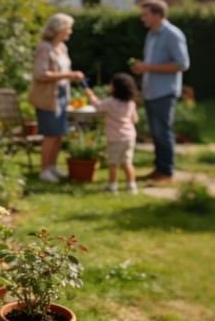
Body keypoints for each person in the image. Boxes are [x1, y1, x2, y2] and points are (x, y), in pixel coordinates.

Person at [130, 0, 190, 184]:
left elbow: (182, 64)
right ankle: (159, 169)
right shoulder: (151, 34)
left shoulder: (173, 34)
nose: (142, 18)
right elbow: (152, 63)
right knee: (155, 133)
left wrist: (148, 67)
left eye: (145, 14)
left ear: (158, 15)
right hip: (151, 90)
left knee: (163, 132)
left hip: (165, 92)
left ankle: (167, 173)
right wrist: (143, 67)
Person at [28, 12, 85, 183]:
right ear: (59, 29)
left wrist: (68, 77)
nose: (70, 31)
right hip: (47, 97)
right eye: (68, 28)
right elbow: (40, 74)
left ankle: (52, 166)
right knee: (50, 135)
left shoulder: (62, 47)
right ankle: (44, 170)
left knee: (59, 134)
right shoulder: (44, 48)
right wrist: (69, 74)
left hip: (60, 95)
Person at [85, 72, 140, 194]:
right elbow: (135, 119)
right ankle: (132, 186)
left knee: (113, 163)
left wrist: (91, 95)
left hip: (115, 138)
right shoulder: (131, 103)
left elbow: (98, 106)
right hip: (130, 137)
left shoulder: (110, 102)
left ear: (115, 87)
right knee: (127, 162)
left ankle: (112, 186)